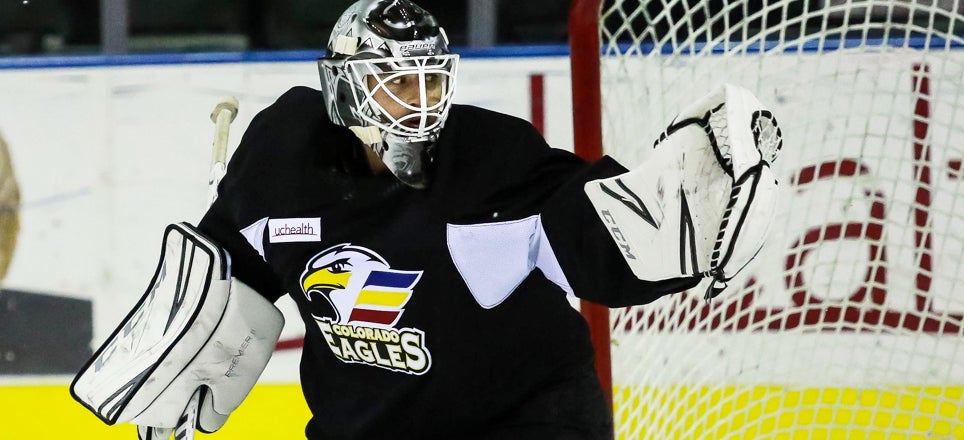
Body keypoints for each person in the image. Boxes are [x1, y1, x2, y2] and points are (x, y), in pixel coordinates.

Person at [72, 0, 781, 438]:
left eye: (429, 79)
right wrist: (193, 334)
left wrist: (667, 227)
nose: (418, 99)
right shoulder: (281, 155)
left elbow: (592, 242)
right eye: (395, 82)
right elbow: (235, 259)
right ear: (345, 88)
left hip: (522, 418)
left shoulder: (490, 158)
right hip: (364, 425)